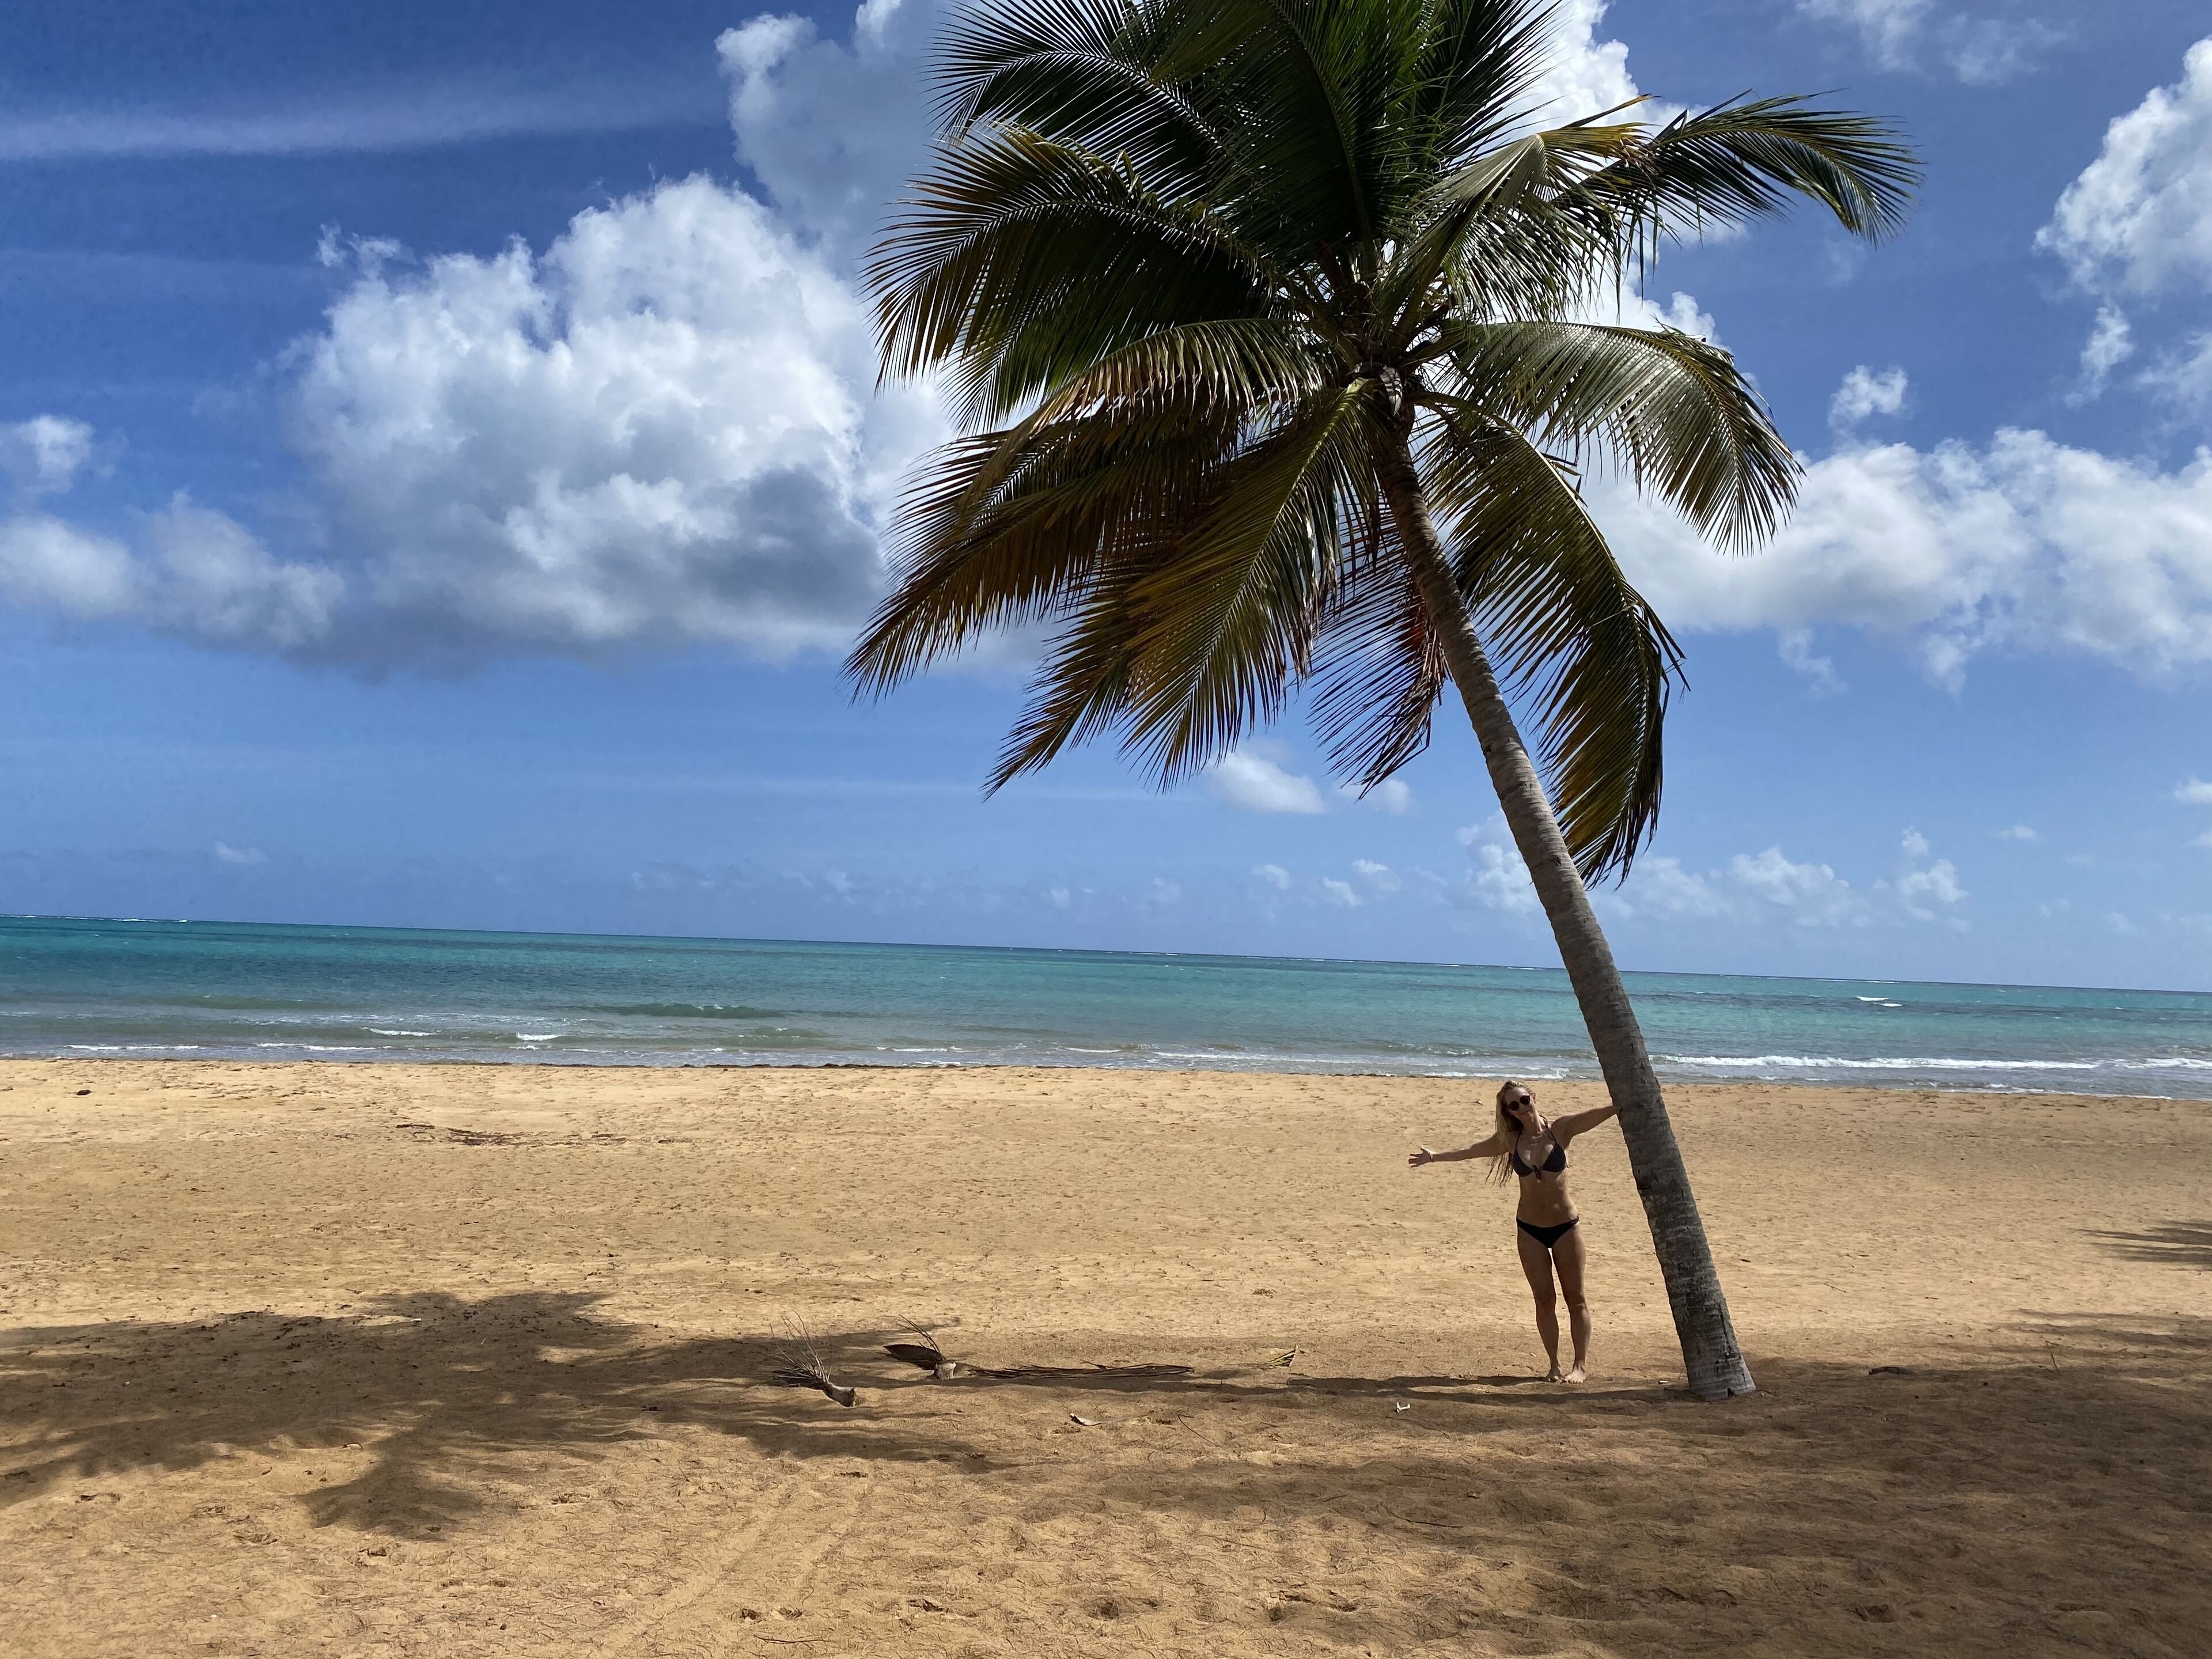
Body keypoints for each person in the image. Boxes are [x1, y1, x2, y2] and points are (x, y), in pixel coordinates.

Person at [1408, 1081, 1620, 1383]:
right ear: (1508, 1111)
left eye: (1523, 1100)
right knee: (1544, 1300)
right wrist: (1434, 1157)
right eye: (1513, 1105)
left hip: (1566, 1228)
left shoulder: (1561, 1130)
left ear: (1533, 1098)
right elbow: (1471, 1151)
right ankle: (1553, 1365)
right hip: (1530, 1230)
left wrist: (1625, 1101)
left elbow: (1598, 1114)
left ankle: (1580, 1366)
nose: (1521, 1107)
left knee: (1577, 1299)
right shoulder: (1510, 1141)